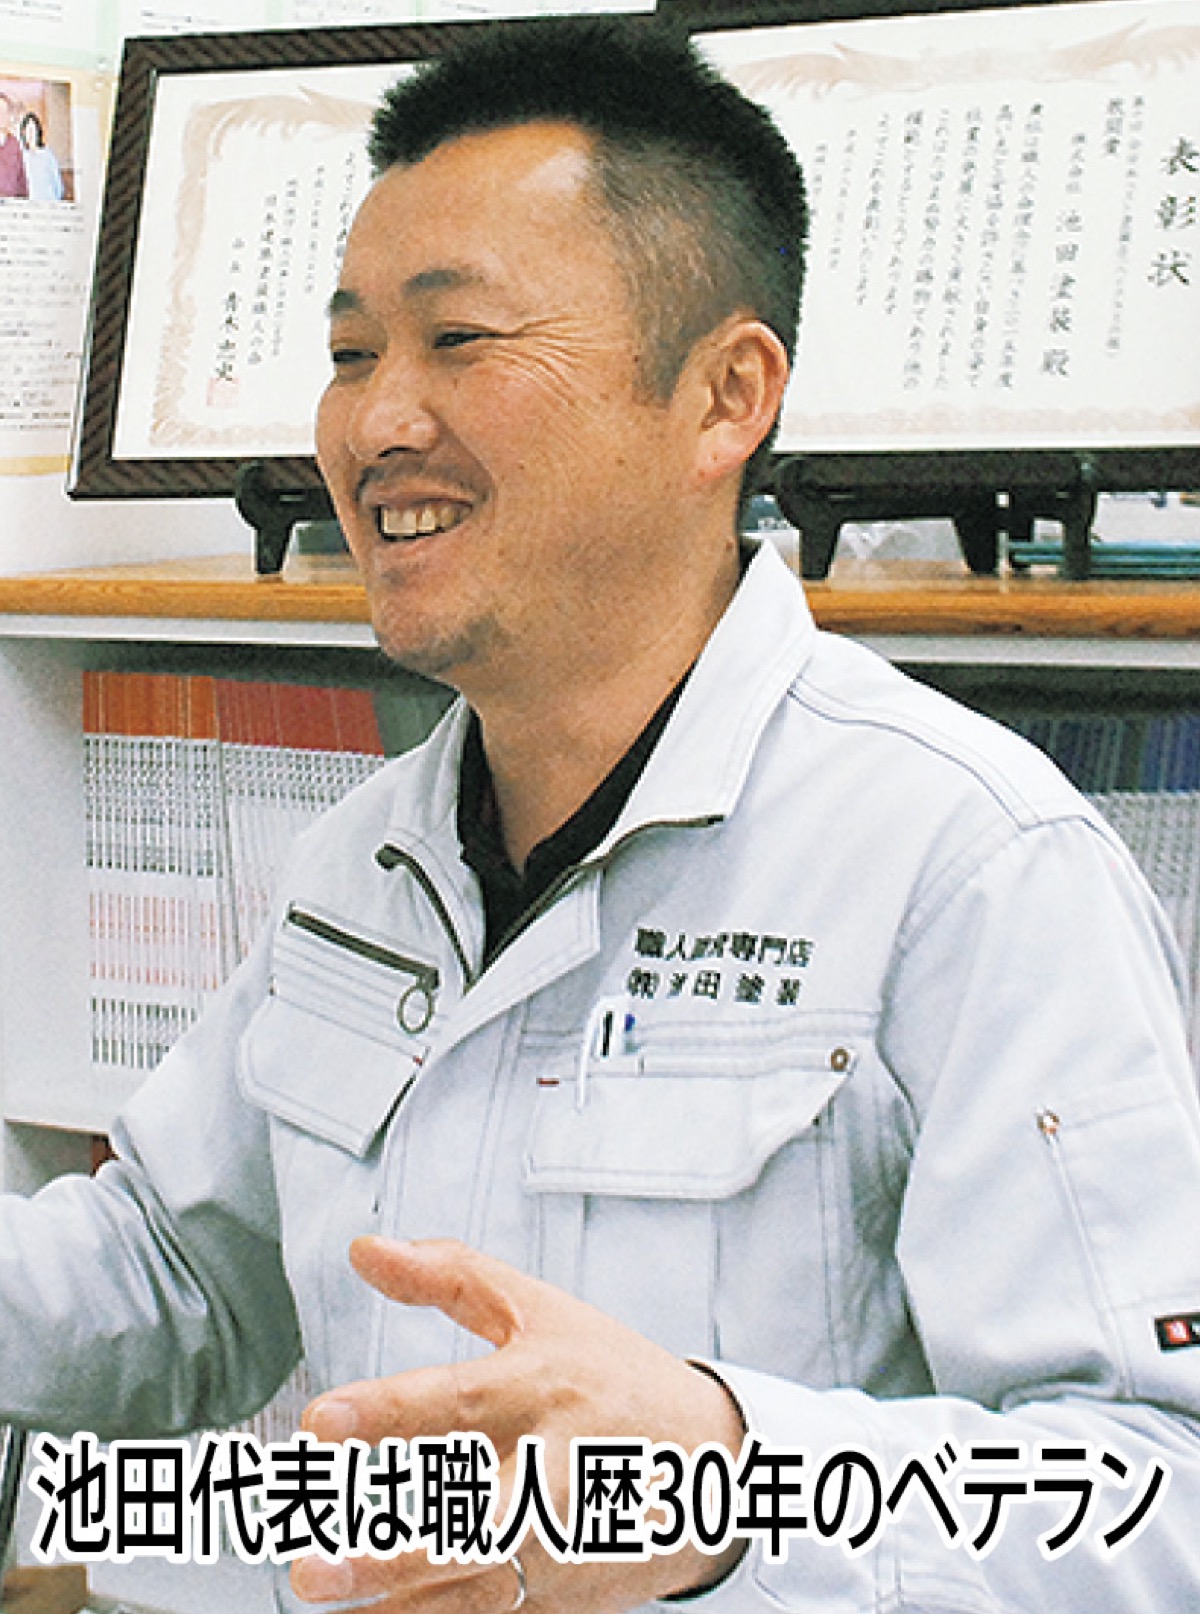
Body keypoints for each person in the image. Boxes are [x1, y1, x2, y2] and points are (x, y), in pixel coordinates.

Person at [3, 16, 1200, 1613]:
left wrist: (725, 1480)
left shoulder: (973, 865)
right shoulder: (363, 856)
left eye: (460, 339)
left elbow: (1157, 1491)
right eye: (352, 355)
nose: (376, 424)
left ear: (724, 396)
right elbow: (172, 1276)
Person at [19, 112, 63, 203]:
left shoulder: (47, 154)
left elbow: (58, 185)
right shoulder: (21, 156)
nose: (30, 134)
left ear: (38, 131)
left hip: (49, 203)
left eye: (33, 129)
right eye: (28, 130)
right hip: (30, 205)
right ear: (23, 133)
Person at [0, 93, 28, 199]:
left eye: (5, 112)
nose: (2, 116)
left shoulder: (14, 143)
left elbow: (21, 181)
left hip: (11, 204)